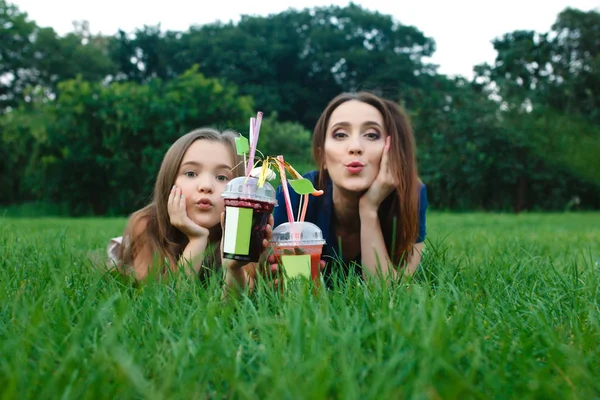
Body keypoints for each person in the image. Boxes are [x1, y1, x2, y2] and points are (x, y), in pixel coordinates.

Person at [273, 92, 428, 287]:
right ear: (322, 155)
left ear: (393, 149)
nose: (355, 147)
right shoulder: (293, 197)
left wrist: (369, 208)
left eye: (371, 135)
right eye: (340, 135)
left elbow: (391, 293)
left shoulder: (412, 195)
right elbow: (266, 283)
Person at [107, 128, 245, 281]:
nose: (206, 186)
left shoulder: (245, 230)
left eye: (221, 177)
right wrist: (197, 239)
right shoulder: (148, 225)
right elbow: (166, 300)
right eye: (191, 174)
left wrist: (235, 269)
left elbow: (238, 302)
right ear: (169, 180)